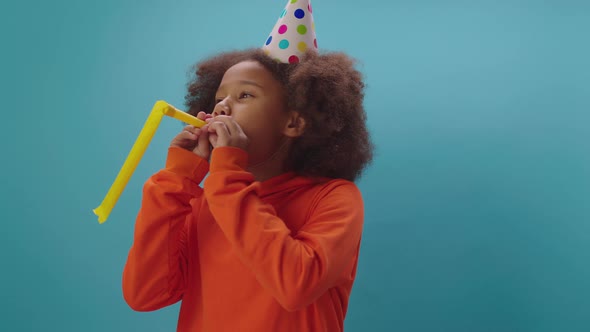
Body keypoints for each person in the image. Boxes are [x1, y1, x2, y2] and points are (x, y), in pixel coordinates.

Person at [122, 1, 374, 331]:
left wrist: (226, 176)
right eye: (219, 98)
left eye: (245, 96)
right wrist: (175, 181)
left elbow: (295, 285)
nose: (223, 105)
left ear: (294, 121)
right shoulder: (208, 202)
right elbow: (145, 295)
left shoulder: (335, 199)